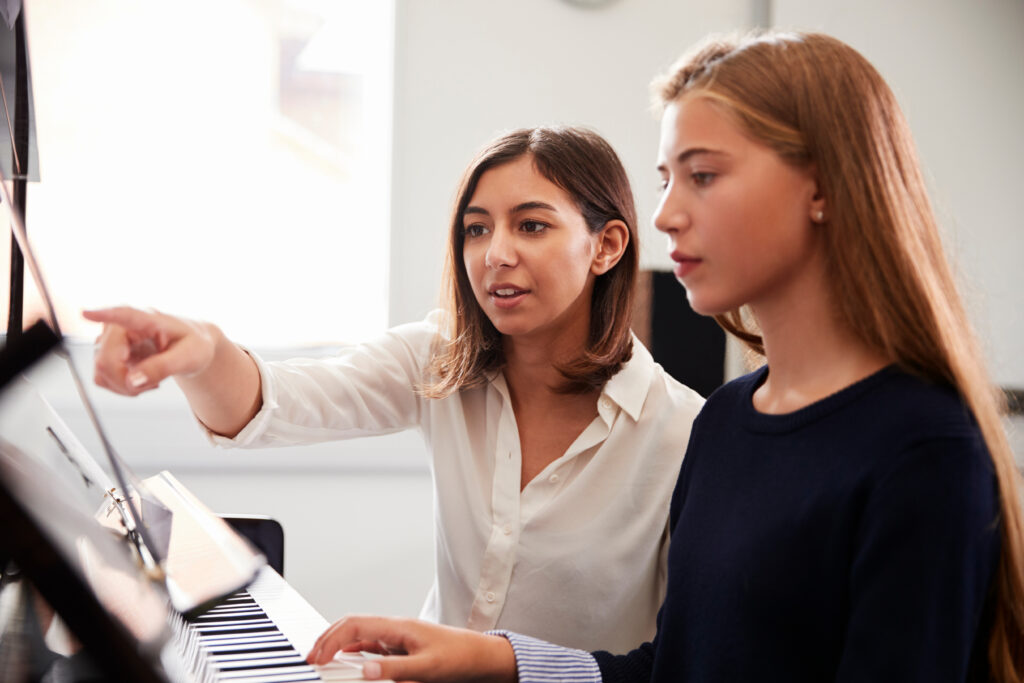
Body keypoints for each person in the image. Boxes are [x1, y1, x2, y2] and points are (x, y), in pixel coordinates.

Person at [304, 31, 1024, 683]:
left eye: (703, 175)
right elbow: (671, 668)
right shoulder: (729, 422)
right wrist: (492, 657)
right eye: (666, 178)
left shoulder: (923, 448)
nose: (665, 215)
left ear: (823, 187)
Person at [83, 126, 706, 653]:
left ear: (606, 245)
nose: (495, 254)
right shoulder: (439, 359)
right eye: (476, 229)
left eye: (532, 226)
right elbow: (274, 402)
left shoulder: (684, 433)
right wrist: (203, 353)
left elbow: (687, 655)